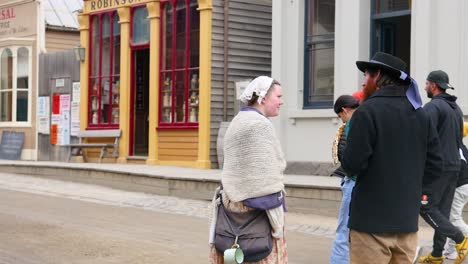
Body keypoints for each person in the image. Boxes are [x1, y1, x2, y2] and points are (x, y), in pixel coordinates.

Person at [341, 52, 443, 264]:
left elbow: (352, 164)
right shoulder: (420, 114)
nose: (363, 82)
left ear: (377, 76)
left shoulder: (367, 112)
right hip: (406, 224)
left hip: (370, 226)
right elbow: (435, 166)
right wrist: (412, 190)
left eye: (366, 76)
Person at [208, 76, 287, 263]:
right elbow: (271, 169)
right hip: (257, 210)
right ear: (263, 98)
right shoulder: (260, 124)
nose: (281, 101)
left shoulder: (238, 120)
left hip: (231, 206)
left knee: (232, 250)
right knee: (259, 253)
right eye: (278, 96)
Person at [418, 70, 468, 264]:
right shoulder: (455, 108)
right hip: (454, 166)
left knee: (425, 206)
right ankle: (437, 254)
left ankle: (460, 239)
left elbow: (423, 138)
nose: (425, 87)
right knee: (443, 212)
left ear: (433, 85)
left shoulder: (433, 107)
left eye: (426, 84)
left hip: (437, 168)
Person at [330, 95, 360, 264]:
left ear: (344, 110)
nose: (341, 120)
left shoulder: (351, 125)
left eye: (340, 116)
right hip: (366, 184)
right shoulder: (369, 119)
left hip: (353, 181)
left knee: (343, 231)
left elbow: (346, 157)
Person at [444, 123, 468, 260]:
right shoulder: (463, 147)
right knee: (453, 218)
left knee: (454, 219)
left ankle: (459, 242)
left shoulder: (453, 147)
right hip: (464, 185)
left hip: (461, 186)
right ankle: (452, 250)